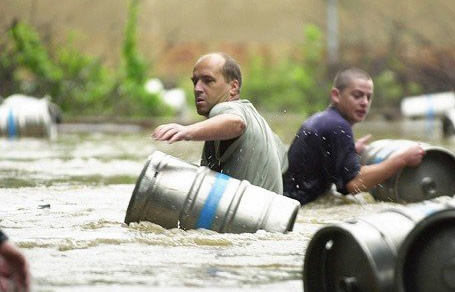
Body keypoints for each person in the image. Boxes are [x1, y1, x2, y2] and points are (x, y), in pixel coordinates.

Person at [282, 67, 425, 205]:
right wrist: (402, 159)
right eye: (357, 95)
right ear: (336, 95)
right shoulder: (339, 126)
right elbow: (355, 184)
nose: (364, 103)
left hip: (288, 200)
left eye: (369, 97)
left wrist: (350, 151)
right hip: (300, 206)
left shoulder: (321, 119)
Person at [152, 52, 287, 194]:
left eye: (208, 80)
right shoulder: (257, 120)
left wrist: (187, 131)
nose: (197, 88)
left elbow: (236, 123)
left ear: (233, 87)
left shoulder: (224, 108)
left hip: (249, 214)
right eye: (195, 81)